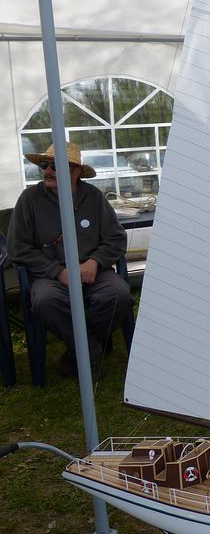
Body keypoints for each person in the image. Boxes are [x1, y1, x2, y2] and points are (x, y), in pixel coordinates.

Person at [7, 141, 132, 378]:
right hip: (50, 276)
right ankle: (91, 351)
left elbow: (116, 238)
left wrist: (94, 262)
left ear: (75, 172)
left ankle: (76, 352)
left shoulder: (93, 197)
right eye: (44, 165)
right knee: (46, 301)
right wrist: (57, 271)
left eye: (55, 166)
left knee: (119, 294)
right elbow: (18, 248)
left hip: (93, 272)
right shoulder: (29, 199)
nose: (47, 171)